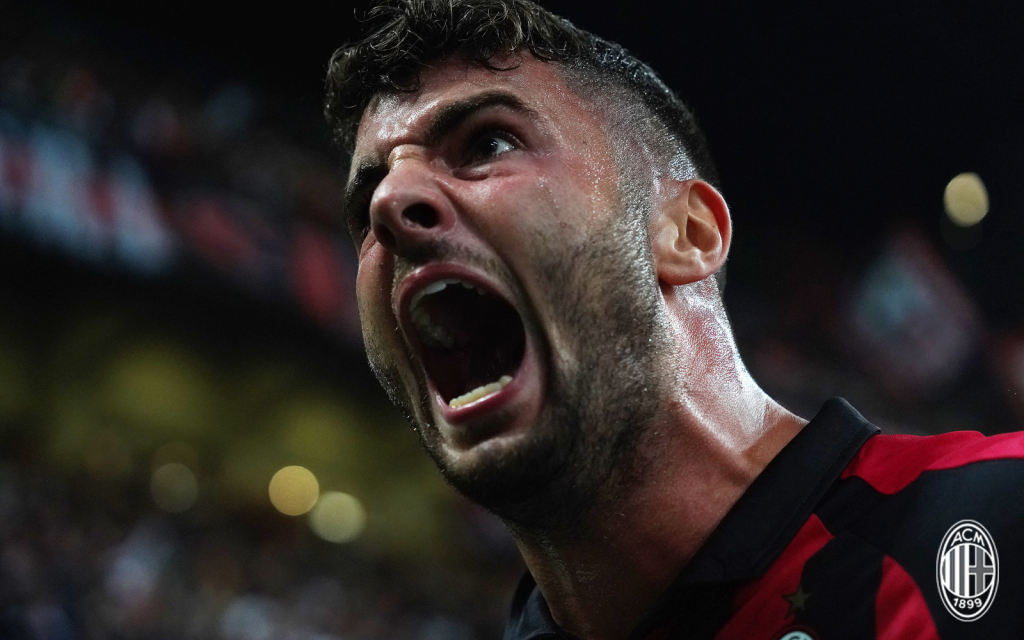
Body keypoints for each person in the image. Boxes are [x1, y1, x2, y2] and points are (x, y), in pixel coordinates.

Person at [323, 1, 1024, 638]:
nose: (390, 204)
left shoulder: (999, 520)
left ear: (689, 233)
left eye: (488, 145)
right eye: (365, 202)